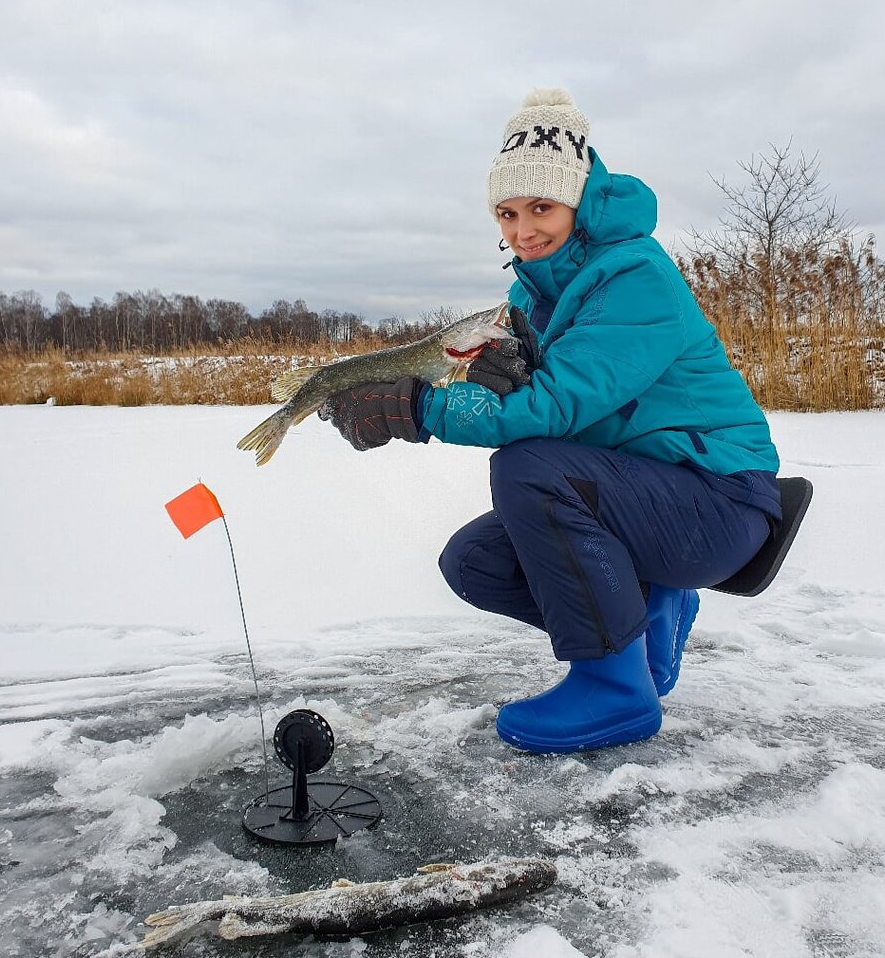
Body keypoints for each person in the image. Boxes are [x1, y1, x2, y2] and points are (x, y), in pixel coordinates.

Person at [319, 88, 781, 755]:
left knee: (527, 465)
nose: (522, 230)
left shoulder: (635, 275)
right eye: (506, 213)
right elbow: (532, 398)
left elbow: (555, 407)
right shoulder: (530, 292)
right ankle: (647, 619)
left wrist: (416, 408)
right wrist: (480, 377)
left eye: (540, 207)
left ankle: (614, 689)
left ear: (581, 201)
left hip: (717, 500)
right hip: (640, 499)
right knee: (473, 562)